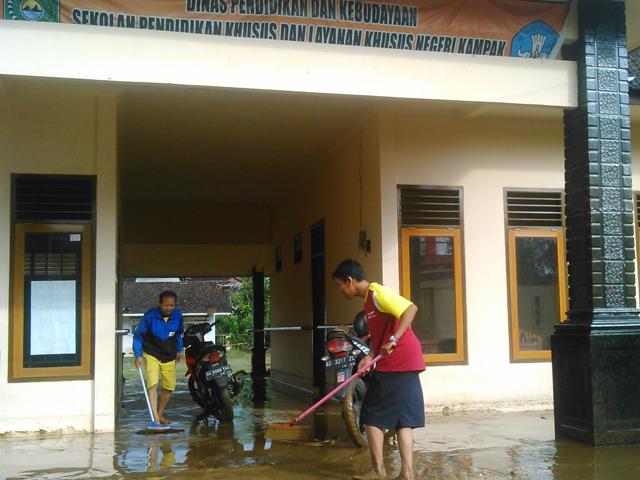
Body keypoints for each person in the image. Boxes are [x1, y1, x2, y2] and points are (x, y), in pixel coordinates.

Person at [332, 259, 425, 480]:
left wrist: (394, 339)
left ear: (350, 280)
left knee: (371, 415)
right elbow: (380, 336)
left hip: (398, 361)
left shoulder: (377, 293)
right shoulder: (368, 302)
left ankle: (377, 472)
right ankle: (407, 474)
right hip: (407, 360)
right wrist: (370, 356)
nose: (340, 290)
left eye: (340, 285)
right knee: (403, 420)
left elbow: (410, 308)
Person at [133, 290, 184, 429]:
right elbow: (138, 336)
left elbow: (178, 334)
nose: (169, 308)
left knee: (169, 387)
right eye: (166, 305)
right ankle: (155, 420)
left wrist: (179, 349)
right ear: (159, 304)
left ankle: (160, 415)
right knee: (153, 383)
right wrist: (138, 355)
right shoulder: (150, 316)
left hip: (169, 354)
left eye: (172, 305)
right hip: (152, 353)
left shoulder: (178, 316)